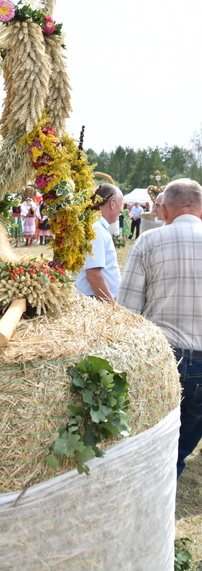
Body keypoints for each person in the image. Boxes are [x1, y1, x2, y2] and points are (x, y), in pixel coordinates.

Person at [117, 179, 202, 477]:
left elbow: (126, 313)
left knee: (151, 442)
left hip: (162, 359)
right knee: (181, 447)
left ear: (164, 210)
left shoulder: (148, 242)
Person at [75, 184, 124, 301]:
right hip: (95, 301)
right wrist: (112, 308)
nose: (121, 210)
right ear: (112, 203)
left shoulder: (96, 227)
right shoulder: (96, 229)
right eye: (121, 205)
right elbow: (93, 275)